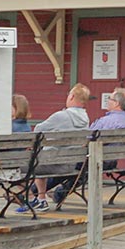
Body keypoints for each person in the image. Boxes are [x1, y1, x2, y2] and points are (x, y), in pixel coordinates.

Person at [21, 83, 91, 213]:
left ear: (72, 96)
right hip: (71, 164)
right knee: (44, 156)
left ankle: (33, 199)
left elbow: (38, 129)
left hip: (54, 164)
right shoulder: (85, 118)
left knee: (20, 166)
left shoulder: (61, 116)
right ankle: (41, 199)